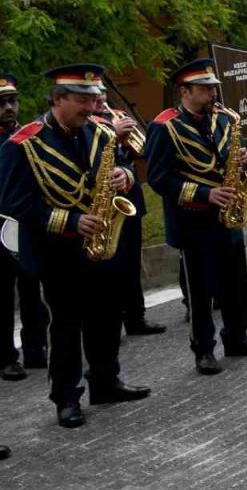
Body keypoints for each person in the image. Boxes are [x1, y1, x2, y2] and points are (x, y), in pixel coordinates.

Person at [0, 64, 152, 428]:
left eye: (94, 98)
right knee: (66, 325)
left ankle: (105, 380)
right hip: (57, 250)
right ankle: (66, 397)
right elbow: (13, 203)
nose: (92, 106)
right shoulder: (23, 144)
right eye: (83, 100)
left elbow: (126, 167)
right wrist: (70, 221)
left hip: (102, 239)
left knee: (107, 315)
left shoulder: (101, 131)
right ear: (57, 99)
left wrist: (126, 175)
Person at [146, 59, 247, 376]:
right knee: (201, 292)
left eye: (213, 88)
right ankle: (203, 349)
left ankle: (237, 337)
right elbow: (159, 179)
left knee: (237, 284)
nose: (213, 94)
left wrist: (243, 161)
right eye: (204, 89)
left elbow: (227, 159)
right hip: (193, 221)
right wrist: (205, 194)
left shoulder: (224, 118)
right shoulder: (165, 127)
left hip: (228, 214)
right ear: (184, 91)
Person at [92, 94, 165, 337]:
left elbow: (140, 151)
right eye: (95, 95)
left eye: (102, 93)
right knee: (110, 266)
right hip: (104, 206)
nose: (101, 99)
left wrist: (124, 143)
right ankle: (110, 325)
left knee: (132, 263)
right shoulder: (86, 126)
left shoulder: (116, 116)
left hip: (129, 199)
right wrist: (114, 135)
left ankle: (136, 317)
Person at [0, 73, 49, 382]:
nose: (8, 107)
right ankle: (6, 357)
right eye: (2, 103)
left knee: (33, 289)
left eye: (12, 101)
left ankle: (36, 347)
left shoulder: (30, 137)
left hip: (28, 224)